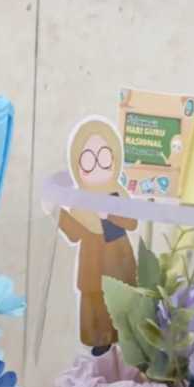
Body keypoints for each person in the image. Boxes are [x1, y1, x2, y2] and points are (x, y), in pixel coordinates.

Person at [57, 118, 137, 355]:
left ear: (115, 159)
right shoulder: (80, 201)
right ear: (77, 164)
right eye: (88, 159)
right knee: (95, 305)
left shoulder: (119, 195)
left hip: (119, 261)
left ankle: (125, 337)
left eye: (103, 157)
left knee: (122, 302)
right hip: (92, 265)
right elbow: (74, 233)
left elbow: (132, 222)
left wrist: (108, 213)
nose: (97, 166)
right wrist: (55, 212)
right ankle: (100, 341)